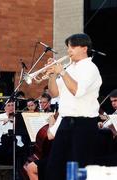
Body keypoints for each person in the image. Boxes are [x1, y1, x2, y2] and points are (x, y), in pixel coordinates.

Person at [45, 33, 102, 180]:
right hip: (65, 122)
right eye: (68, 47)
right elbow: (54, 93)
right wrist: (51, 74)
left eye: (72, 47)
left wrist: (62, 72)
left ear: (84, 48)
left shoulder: (90, 68)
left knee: (77, 170)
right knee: (54, 167)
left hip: (83, 124)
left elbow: (77, 91)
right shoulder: (69, 68)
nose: (69, 50)